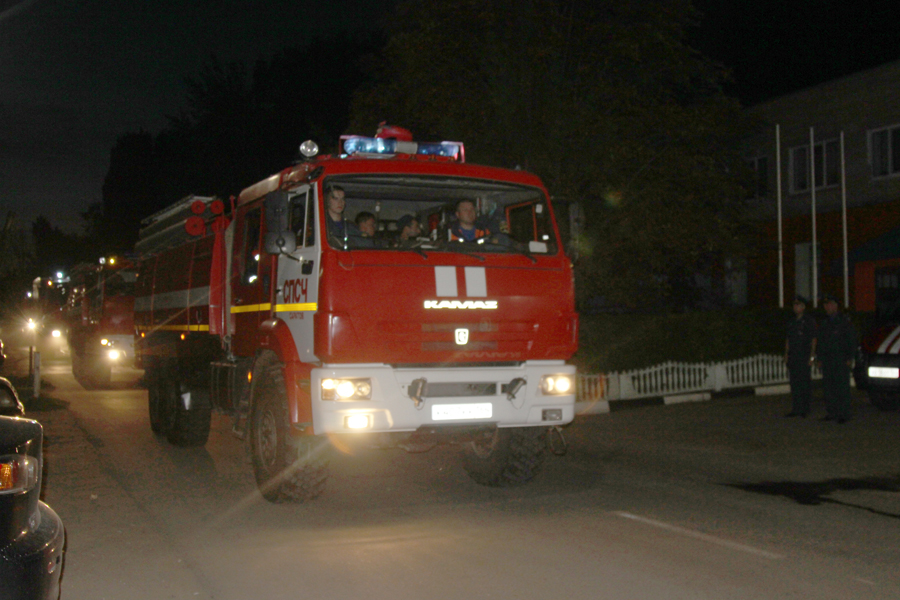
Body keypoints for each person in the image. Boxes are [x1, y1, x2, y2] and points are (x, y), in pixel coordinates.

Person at [816, 293, 857, 423]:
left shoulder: (844, 321)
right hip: (828, 359)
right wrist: (819, 358)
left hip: (840, 359)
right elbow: (821, 342)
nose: (827, 307)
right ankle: (832, 412)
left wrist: (850, 357)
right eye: (825, 305)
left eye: (829, 304)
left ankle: (844, 414)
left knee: (842, 388)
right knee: (829, 388)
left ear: (835, 306)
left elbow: (851, 340)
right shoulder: (824, 322)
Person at [784, 295, 817, 417]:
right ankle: (796, 408)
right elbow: (788, 339)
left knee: (804, 383)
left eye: (798, 305)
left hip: (804, 356)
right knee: (795, 383)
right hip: (794, 356)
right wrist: (786, 354)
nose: (795, 307)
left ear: (803, 307)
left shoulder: (809, 321)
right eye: (794, 305)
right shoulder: (792, 322)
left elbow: (813, 339)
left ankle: (805, 409)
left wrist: (812, 356)